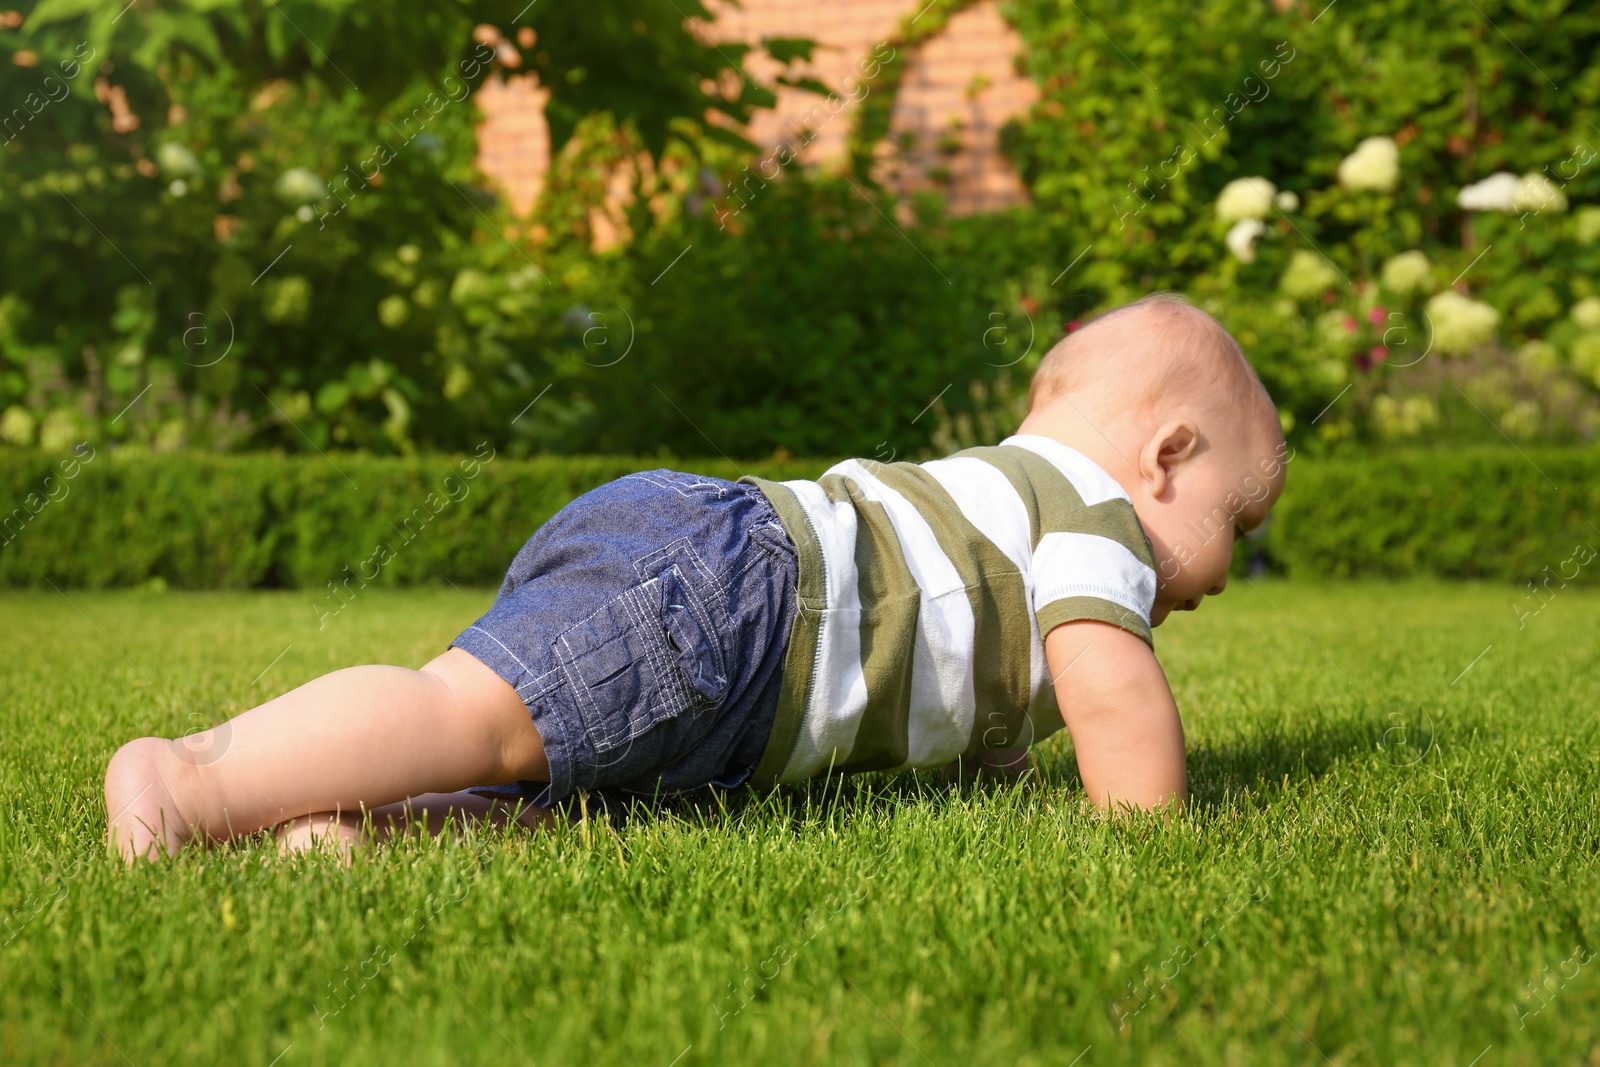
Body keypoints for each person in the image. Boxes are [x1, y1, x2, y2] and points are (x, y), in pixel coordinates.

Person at [104, 292, 1289, 861]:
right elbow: (1106, 680)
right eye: (1238, 516)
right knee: (471, 714)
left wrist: (1004, 762)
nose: (1228, 569)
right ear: (1165, 458)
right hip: (737, 595)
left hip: (730, 658)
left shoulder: (1011, 498)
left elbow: (975, 669)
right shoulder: (1099, 521)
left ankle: (349, 820)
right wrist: (1148, 830)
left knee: (554, 797)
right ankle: (194, 775)